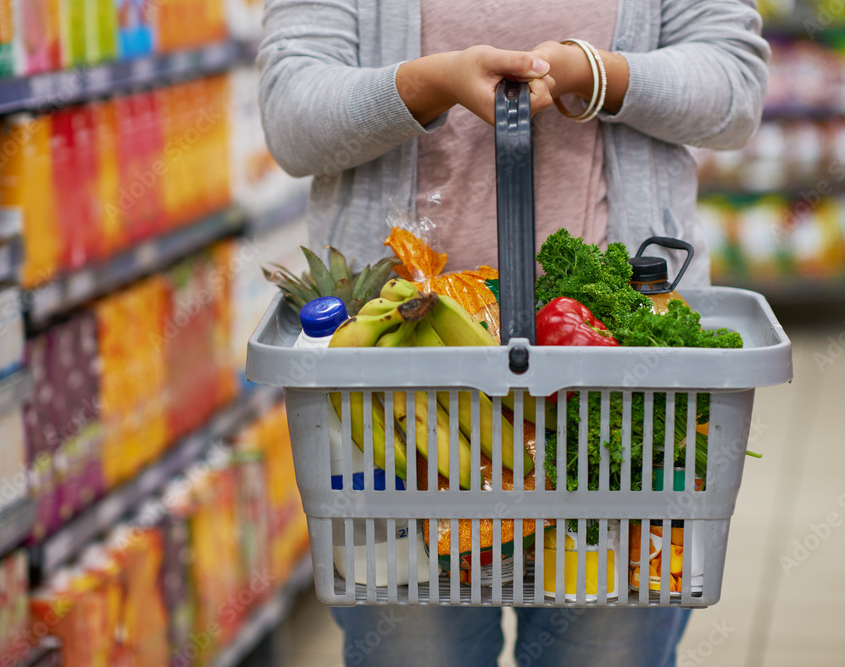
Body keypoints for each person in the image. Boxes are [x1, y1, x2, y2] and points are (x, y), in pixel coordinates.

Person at [257, 1, 769, 665]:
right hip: (396, 383)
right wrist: (430, 82)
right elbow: (294, 116)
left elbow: (733, 90)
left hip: (620, 377)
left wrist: (595, 72)